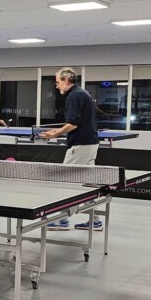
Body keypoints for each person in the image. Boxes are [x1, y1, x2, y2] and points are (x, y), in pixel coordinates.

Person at [38, 68, 101, 231]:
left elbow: (73, 123)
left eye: (58, 82)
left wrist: (56, 134)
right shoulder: (83, 93)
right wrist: (58, 131)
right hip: (91, 144)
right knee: (88, 185)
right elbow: (77, 121)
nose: (57, 86)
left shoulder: (74, 95)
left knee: (66, 181)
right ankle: (95, 220)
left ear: (66, 80)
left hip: (81, 146)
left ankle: (61, 220)